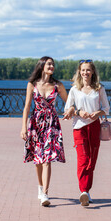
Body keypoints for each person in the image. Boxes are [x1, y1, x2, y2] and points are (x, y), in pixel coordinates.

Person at [21, 56, 72, 206]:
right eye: (49, 64)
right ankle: (40, 187)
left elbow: (69, 103)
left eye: (53, 64)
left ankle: (45, 194)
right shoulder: (32, 85)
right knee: (38, 160)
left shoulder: (58, 85)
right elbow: (26, 107)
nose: (52, 66)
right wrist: (23, 127)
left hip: (51, 123)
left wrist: (70, 110)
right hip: (36, 124)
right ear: (42, 66)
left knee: (47, 159)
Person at [63, 59, 110, 206]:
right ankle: (83, 191)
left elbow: (106, 108)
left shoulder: (99, 88)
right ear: (79, 72)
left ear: (93, 72)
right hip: (79, 128)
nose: (85, 73)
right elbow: (66, 110)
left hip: (94, 126)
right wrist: (78, 112)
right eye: (83, 70)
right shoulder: (74, 89)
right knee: (83, 159)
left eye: (88, 70)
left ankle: (87, 191)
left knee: (92, 160)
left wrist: (98, 113)